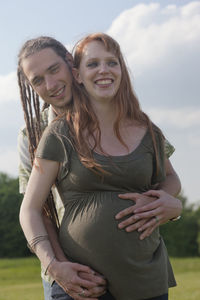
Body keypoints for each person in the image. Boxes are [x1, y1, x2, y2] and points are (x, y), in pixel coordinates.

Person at [18, 34, 182, 300]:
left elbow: (167, 179)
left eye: (54, 70)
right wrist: (58, 267)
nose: (50, 84)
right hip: (72, 273)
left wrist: (172, 206)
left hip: (141, 273)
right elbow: (39, 211)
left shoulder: (139, 125)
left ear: (71, 67)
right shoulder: (34, 135)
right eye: (37, 80)